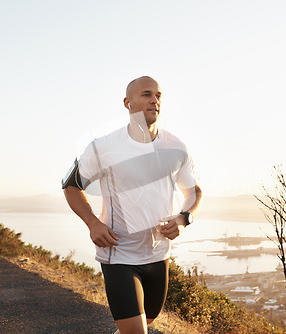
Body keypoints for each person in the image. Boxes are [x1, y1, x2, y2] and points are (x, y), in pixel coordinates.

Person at [62, 76, 202, 334]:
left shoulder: (176, 147)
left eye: (159, 95)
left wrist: (184, 218)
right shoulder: (102, 148)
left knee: (147, 321)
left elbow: (193, 192)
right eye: (147, 94)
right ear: (128, 103)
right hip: (118, 254)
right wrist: (93, 224)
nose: (155, 100)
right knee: (137, 332)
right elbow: (71, 186)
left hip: (159, 254)